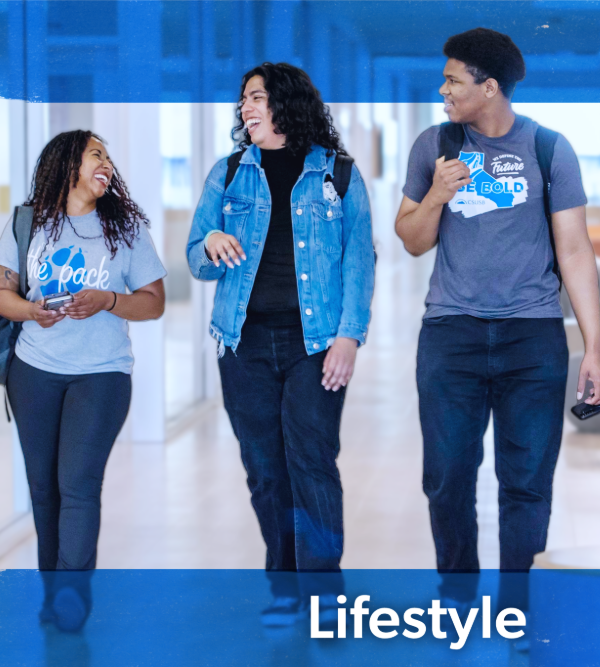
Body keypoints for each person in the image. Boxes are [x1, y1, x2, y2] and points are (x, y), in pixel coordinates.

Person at [395, 28, 600, 616]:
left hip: (532, 338)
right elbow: (411, 240)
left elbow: (574, 250)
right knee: (446, 481)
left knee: (526, 486)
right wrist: (436, 195)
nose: (443, 90)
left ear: (489, 89)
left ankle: (519, 606)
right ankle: (458, 596)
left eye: (453, 81)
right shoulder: (435, 144)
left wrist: (593, 347)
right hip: (451, 334)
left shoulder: (549, 149)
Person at [187, 63, 375, 626]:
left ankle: (323, 593)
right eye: (243, 99)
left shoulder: (337, 175)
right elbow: (196, 256)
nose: (246, 107)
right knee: (266, 469)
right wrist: (211, 239)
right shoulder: (227, 174)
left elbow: (359, 260)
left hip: (313, 343)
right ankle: (285, 586)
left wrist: (349, 337)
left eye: (258, 97)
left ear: (286, 104)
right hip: (242, 342)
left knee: (312, 461)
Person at [0, 130, 166, 630]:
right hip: (34, 372)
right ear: (68, 165)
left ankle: (72, 593)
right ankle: (53, 592)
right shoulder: (28, 221)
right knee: (44, 489)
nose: (106, 163)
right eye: (96, 155)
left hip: (103, 374)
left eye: (108, 156)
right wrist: (30, 311)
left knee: (79, 485)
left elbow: (153, 301)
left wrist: (108, 300)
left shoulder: (125, 228)